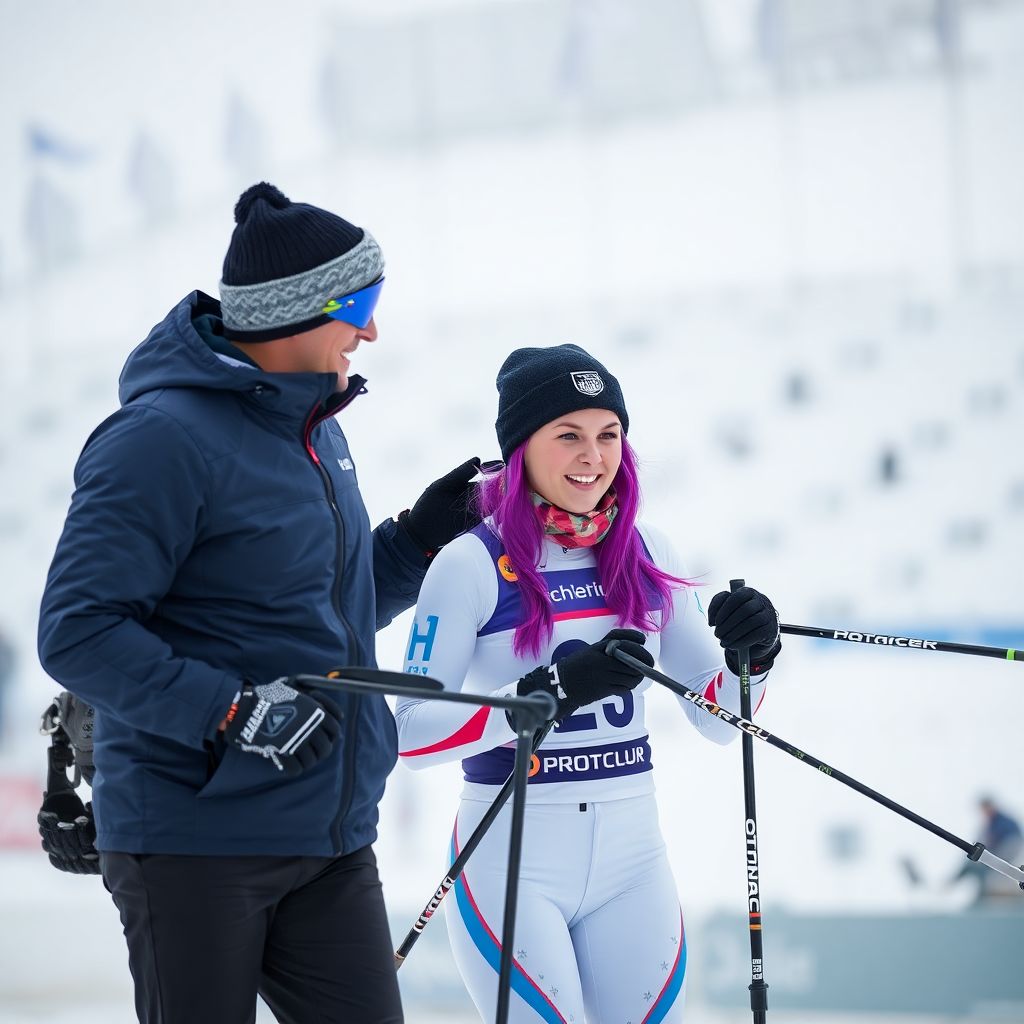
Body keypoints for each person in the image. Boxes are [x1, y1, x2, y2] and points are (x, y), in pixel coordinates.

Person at [37, 181, 482, 1024]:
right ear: (298, 314)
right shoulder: (158, 440)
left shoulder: (313, 428)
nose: (372, 330)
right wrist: (233, 711)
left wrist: (417, 538)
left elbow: (326, 604)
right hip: (195, 842)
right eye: (362, 305)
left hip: (329, 834)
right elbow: (76, 631)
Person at [396, 344, 782, 1022]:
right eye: (568, 434)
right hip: (511, 852)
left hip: (633, 857)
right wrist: (538, 698)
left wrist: (755, 657)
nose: (592, 455)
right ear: (521, 447)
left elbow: (719, 719)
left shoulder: (647, 549)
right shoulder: (470, 564)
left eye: (608, 435)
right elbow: (405, 735)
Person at [949, 795, 1023, 906]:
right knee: (971, 865)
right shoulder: (990, 824)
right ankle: (951, 885)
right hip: (993, 860)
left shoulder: (1005, 823)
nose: (984, 812)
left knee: (979, 869)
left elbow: (1011, 846)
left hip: (1002, 861)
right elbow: (982, 841)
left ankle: (979, 898)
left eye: (985, 808)